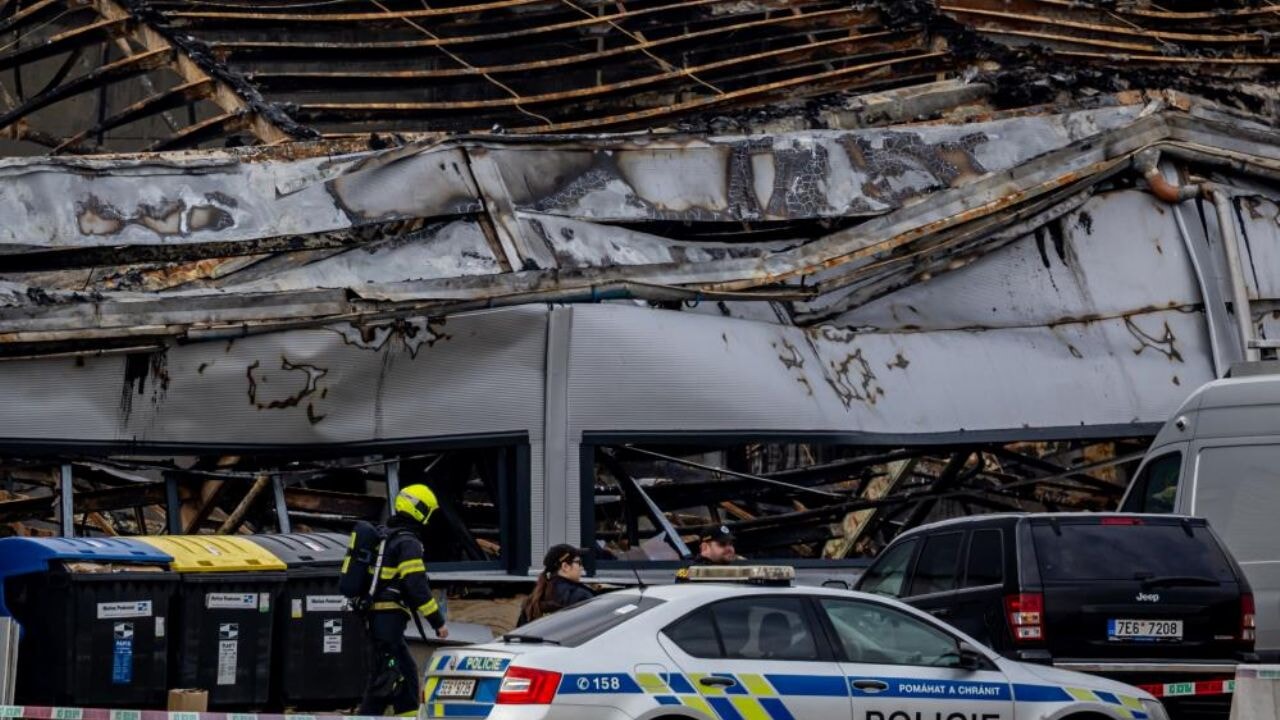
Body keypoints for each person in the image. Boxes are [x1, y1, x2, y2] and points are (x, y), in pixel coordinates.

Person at [358, 484, 449, 717]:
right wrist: (437, 621)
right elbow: (416, 585)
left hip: (378, 620)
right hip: (388, 620)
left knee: (395, 677)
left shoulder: (386, 536)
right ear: (419, 510)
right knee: (392, 680)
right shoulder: (408, 542)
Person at [516, 544, 595, 625]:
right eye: (579, 562)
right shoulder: (581, 596)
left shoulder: (534, 598)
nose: (581, 567)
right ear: (565, 566)